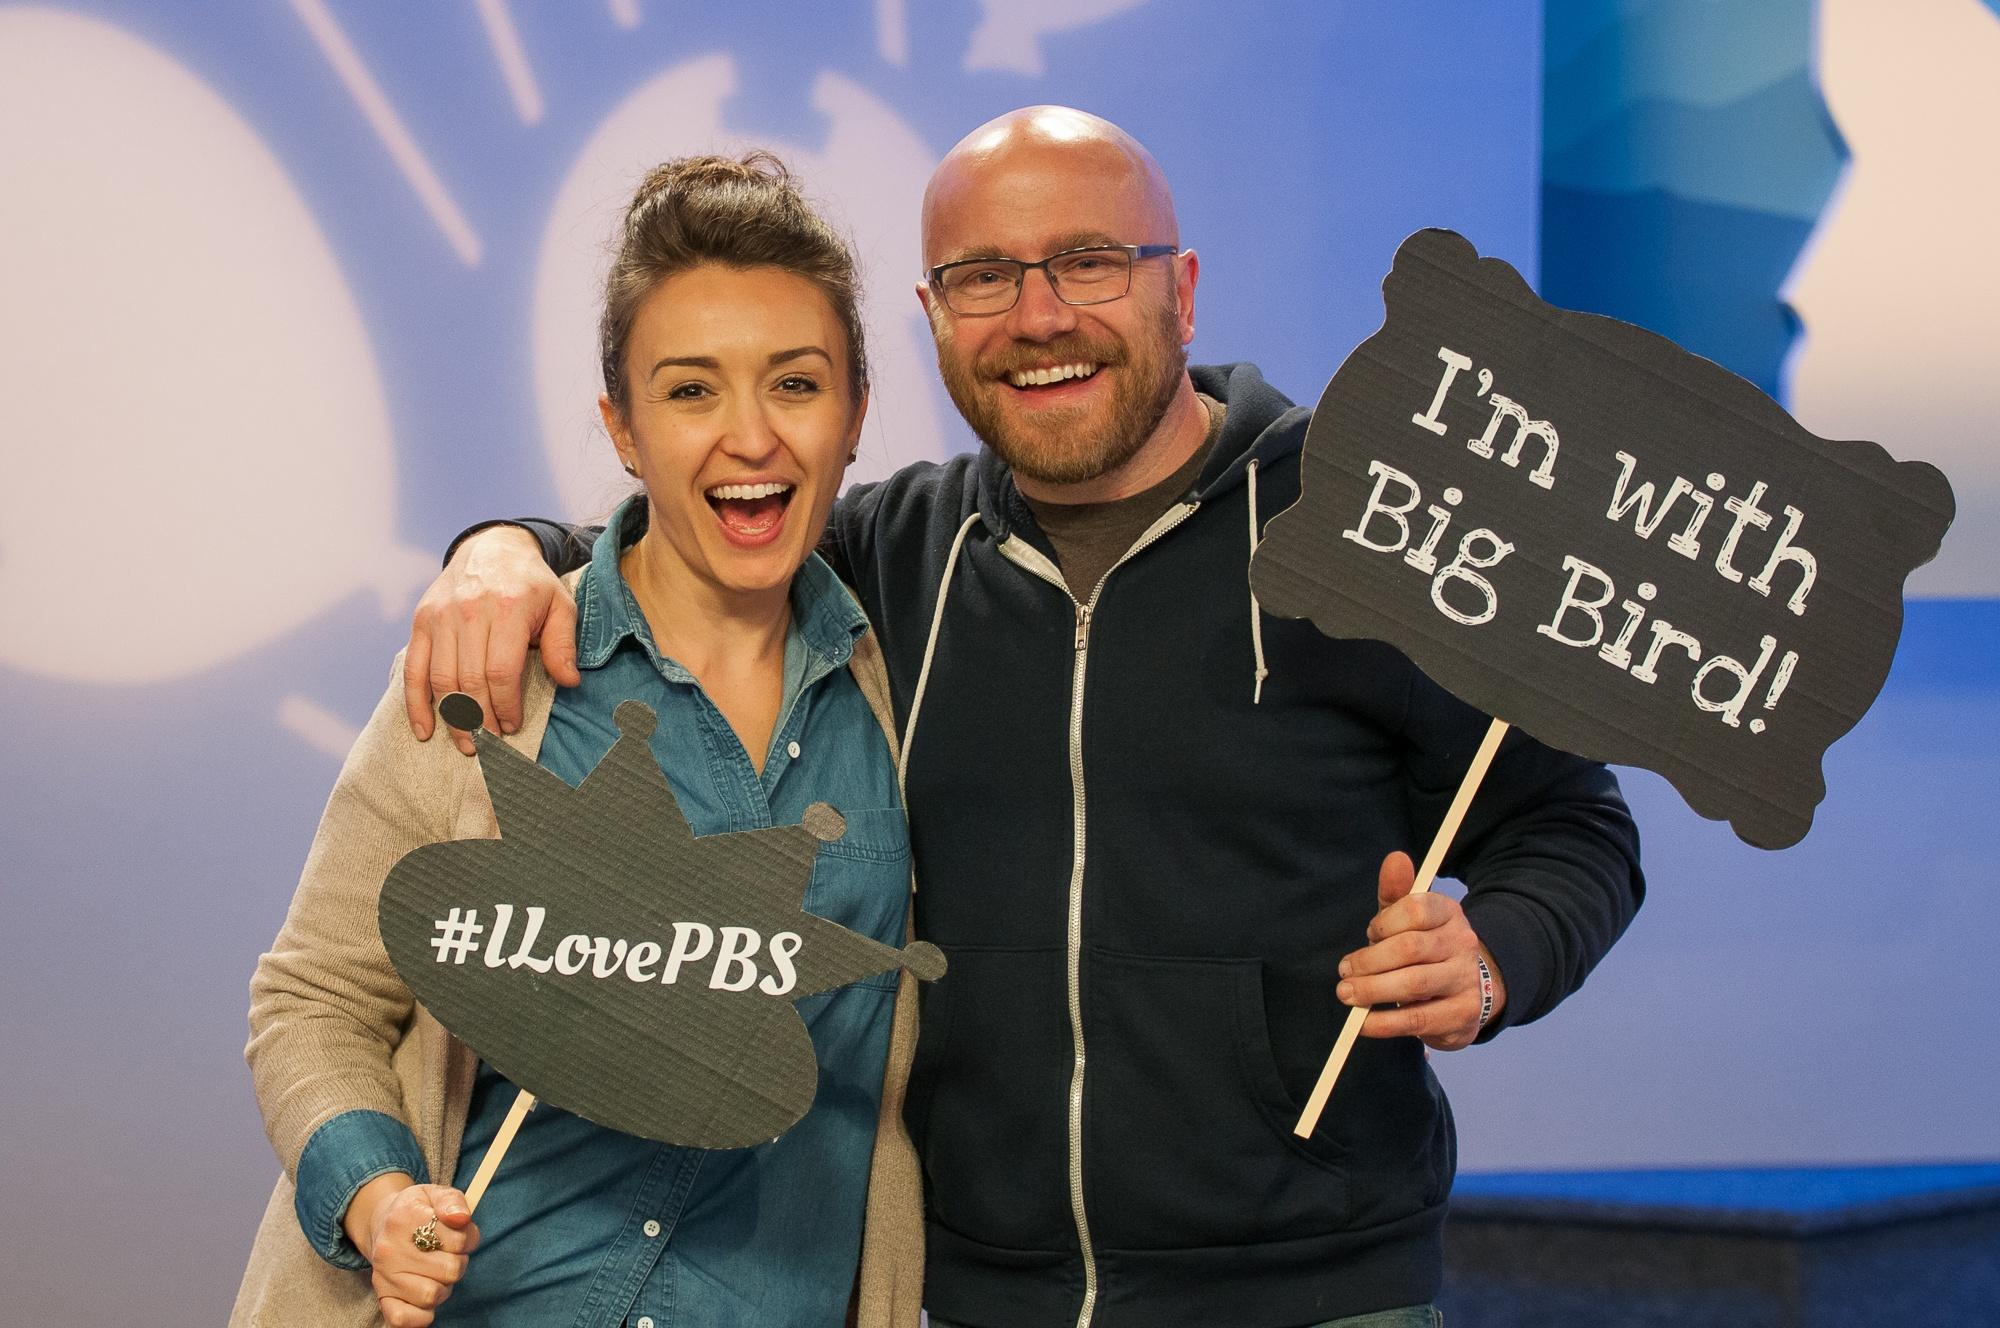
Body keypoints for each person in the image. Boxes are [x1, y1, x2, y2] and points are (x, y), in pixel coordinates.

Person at [408, 108, 1644, 1328]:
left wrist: (1491, 961)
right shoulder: (888, 553)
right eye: (983, 275)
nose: (1038, 314)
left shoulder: (1365, 538)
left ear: (1184, 291)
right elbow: (691, 530)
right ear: (937, 318)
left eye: (1089, 260)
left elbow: (1574, 826)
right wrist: (503, 550)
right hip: (977, 1296)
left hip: (1315, 1292)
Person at [234, 154, 926, 1328]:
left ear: (856, 411)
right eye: (691, 390)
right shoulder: (489, 668)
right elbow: (313, 998)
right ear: (620, 424)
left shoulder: (909, 681)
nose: (749, 436)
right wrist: (375, 1194)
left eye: (795, 384)